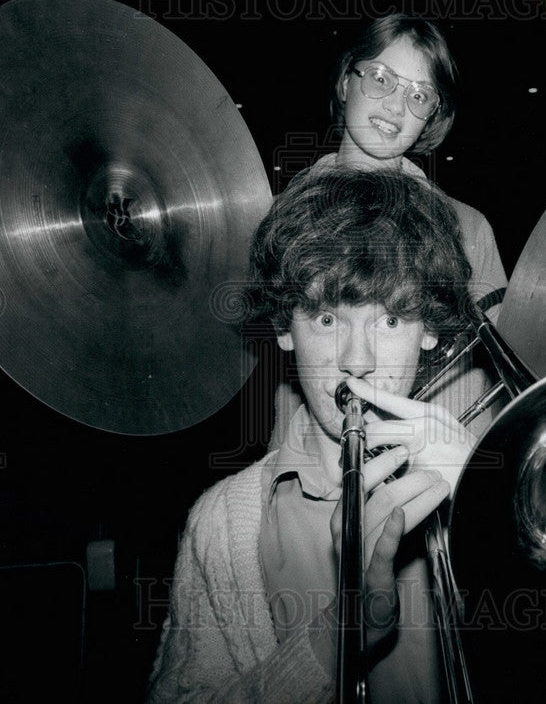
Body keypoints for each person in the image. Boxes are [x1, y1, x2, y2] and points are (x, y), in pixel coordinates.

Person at [147, 167, 480, 703]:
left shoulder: (476, 482)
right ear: (284, 327)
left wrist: (490, 522)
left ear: (430, 330)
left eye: (391, 320)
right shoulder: (223, 522)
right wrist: (334, 639)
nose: (357, 363)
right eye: (326, 319)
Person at [271, 14, 508, 450]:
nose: (396, 107)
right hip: (319, 463)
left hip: (447, 461)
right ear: (345, 82)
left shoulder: (467, 229)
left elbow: (504, 363)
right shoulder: (286, 220)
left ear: (431, 118)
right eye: (380, 78)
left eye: (419, 95)